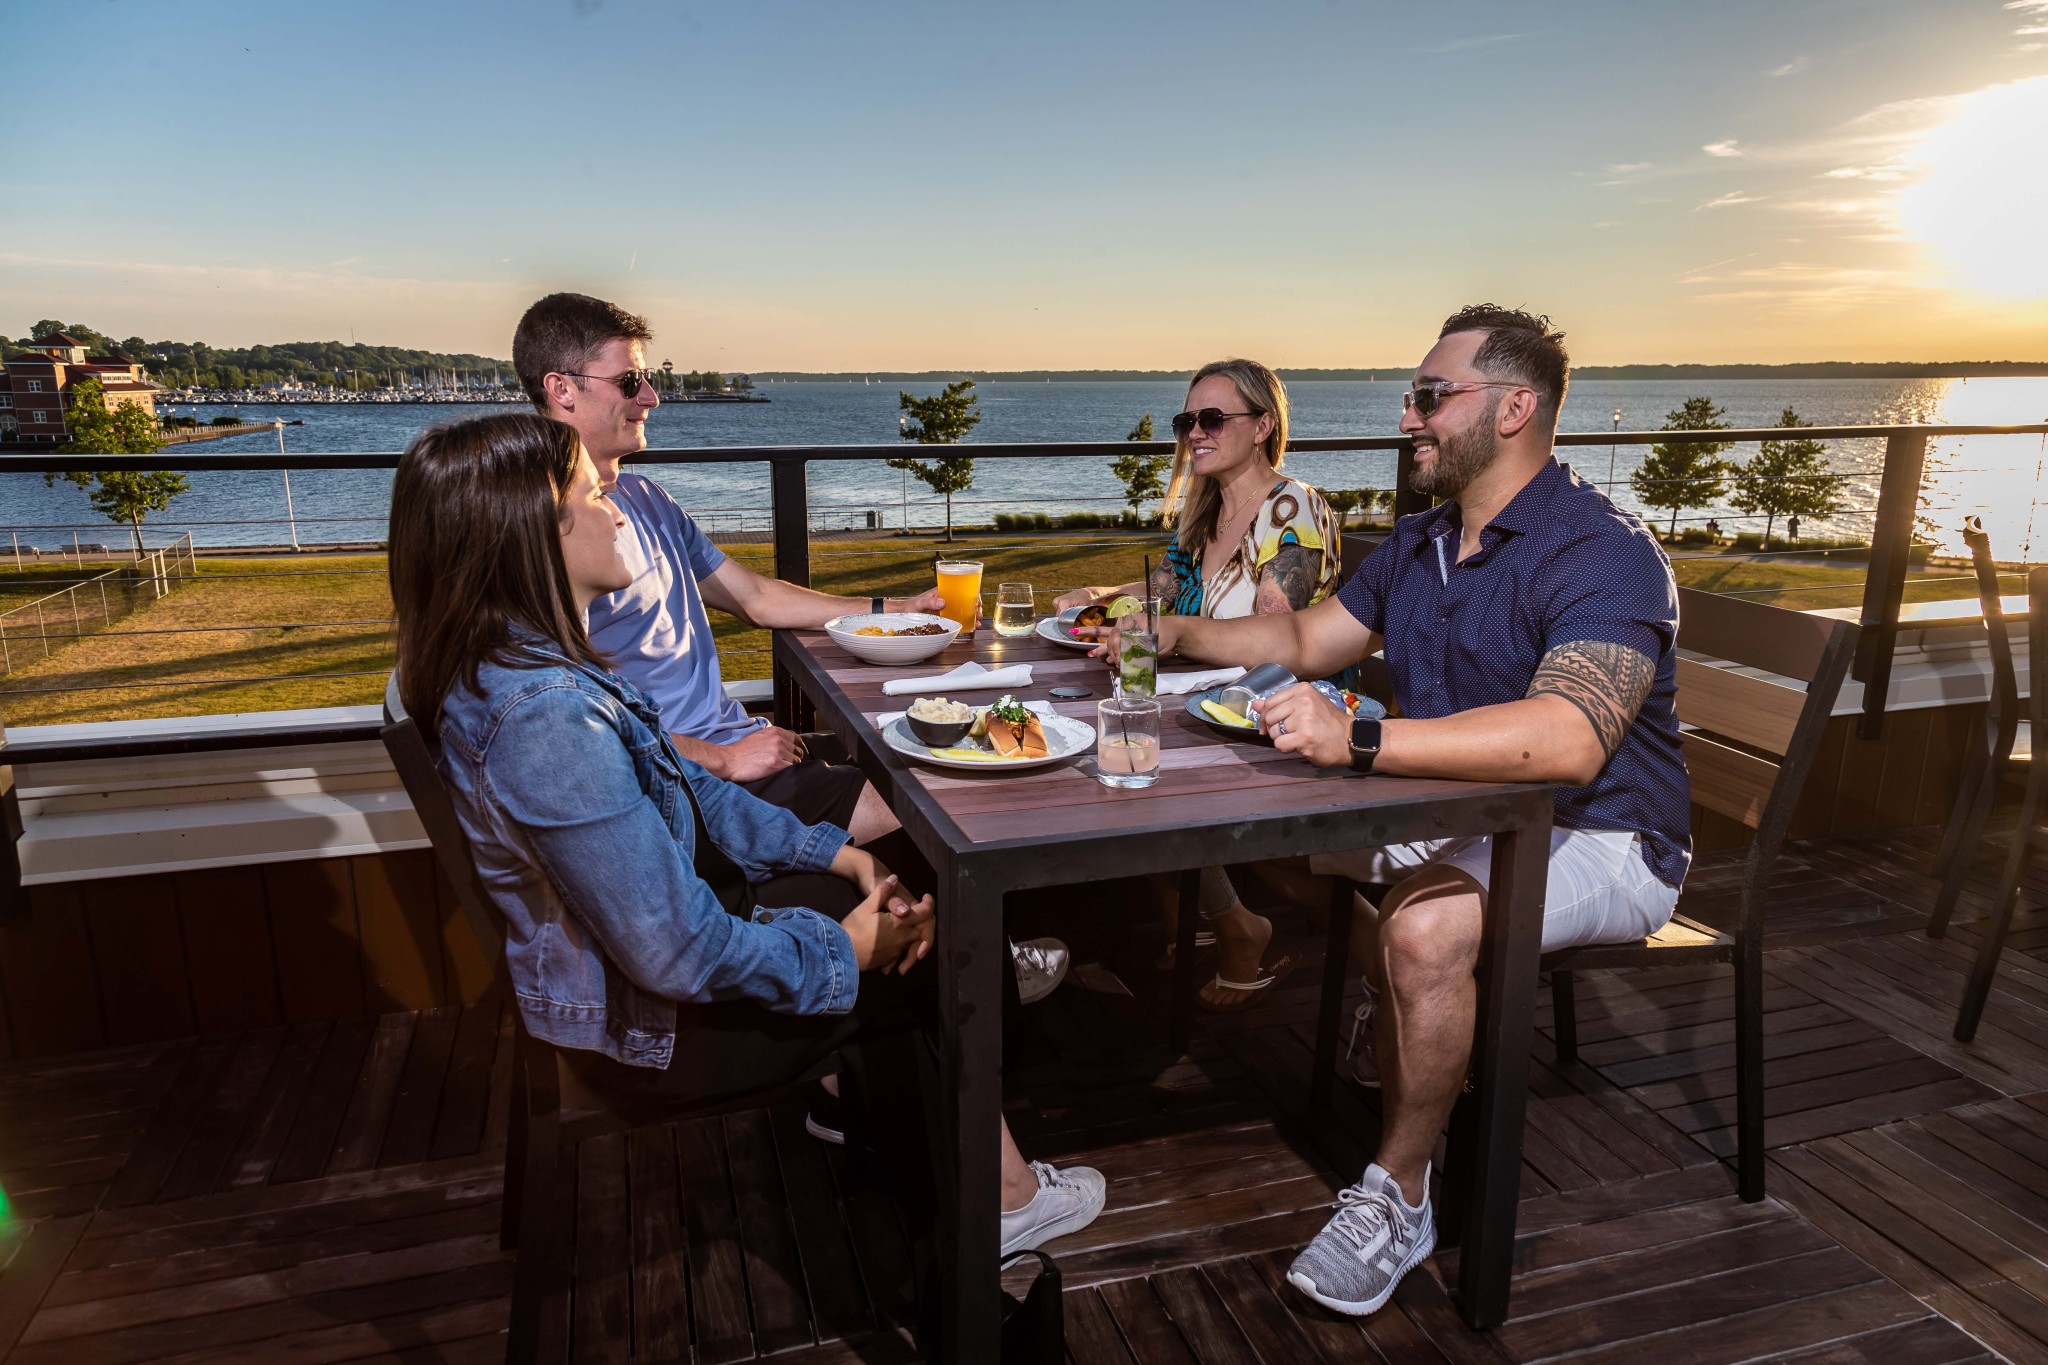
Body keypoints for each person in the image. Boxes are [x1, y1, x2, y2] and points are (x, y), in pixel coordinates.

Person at [387, 412, 1105, 1267]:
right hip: (656, 1031)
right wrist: (844, 950)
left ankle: (924, 1147)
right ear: (529, 532)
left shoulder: (532, 664)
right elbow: (677, 955)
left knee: (898, 891)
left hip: (657, 963)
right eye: (590, 491)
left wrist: (833, 854)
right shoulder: (546, 719)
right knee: (930, 941)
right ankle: (993, 1212)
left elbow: (690, 788)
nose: (614, 506)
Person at [1099, 306, 1690, 1316]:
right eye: (1410, 397)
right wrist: (1165, 630)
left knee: (1422, 928)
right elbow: (1308, 641)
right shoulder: (1419, 543)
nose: (1406, 416)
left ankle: (1399, 1192)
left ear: (1513, 408)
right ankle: (1415, 1015)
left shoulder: (1601, 549)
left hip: (1600, 831)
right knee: (1288, 846)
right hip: (1460, 804)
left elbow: (1566, 740)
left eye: (1427, 397)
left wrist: (1362, 740)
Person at [511, 294, 1067, 1007]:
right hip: (701, 786)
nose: (652, 396)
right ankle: (971, 984)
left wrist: (889, 609)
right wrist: (718, 756)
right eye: (630, 381)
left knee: (915, 782)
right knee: (935, 796)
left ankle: (924, 1013)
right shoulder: (552, 543)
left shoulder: (646, 499)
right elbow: (592, 735)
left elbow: (756, 598)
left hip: (733, 760)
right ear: (561, 389)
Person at [1056, 358, 1353, 1010]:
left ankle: (1237, 927)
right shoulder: (1206, 511)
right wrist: (1101, 594)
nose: (1194, 432)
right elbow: (1163, 596)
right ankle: (1210, 923)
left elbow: (1282, 644)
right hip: (1204, 709)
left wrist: (1179, 634)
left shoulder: (1291, 508)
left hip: (1275, 716)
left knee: (1129, 765)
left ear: (1263, 425)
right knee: (1117, 749)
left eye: (1212, 418)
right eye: (1187, 419)